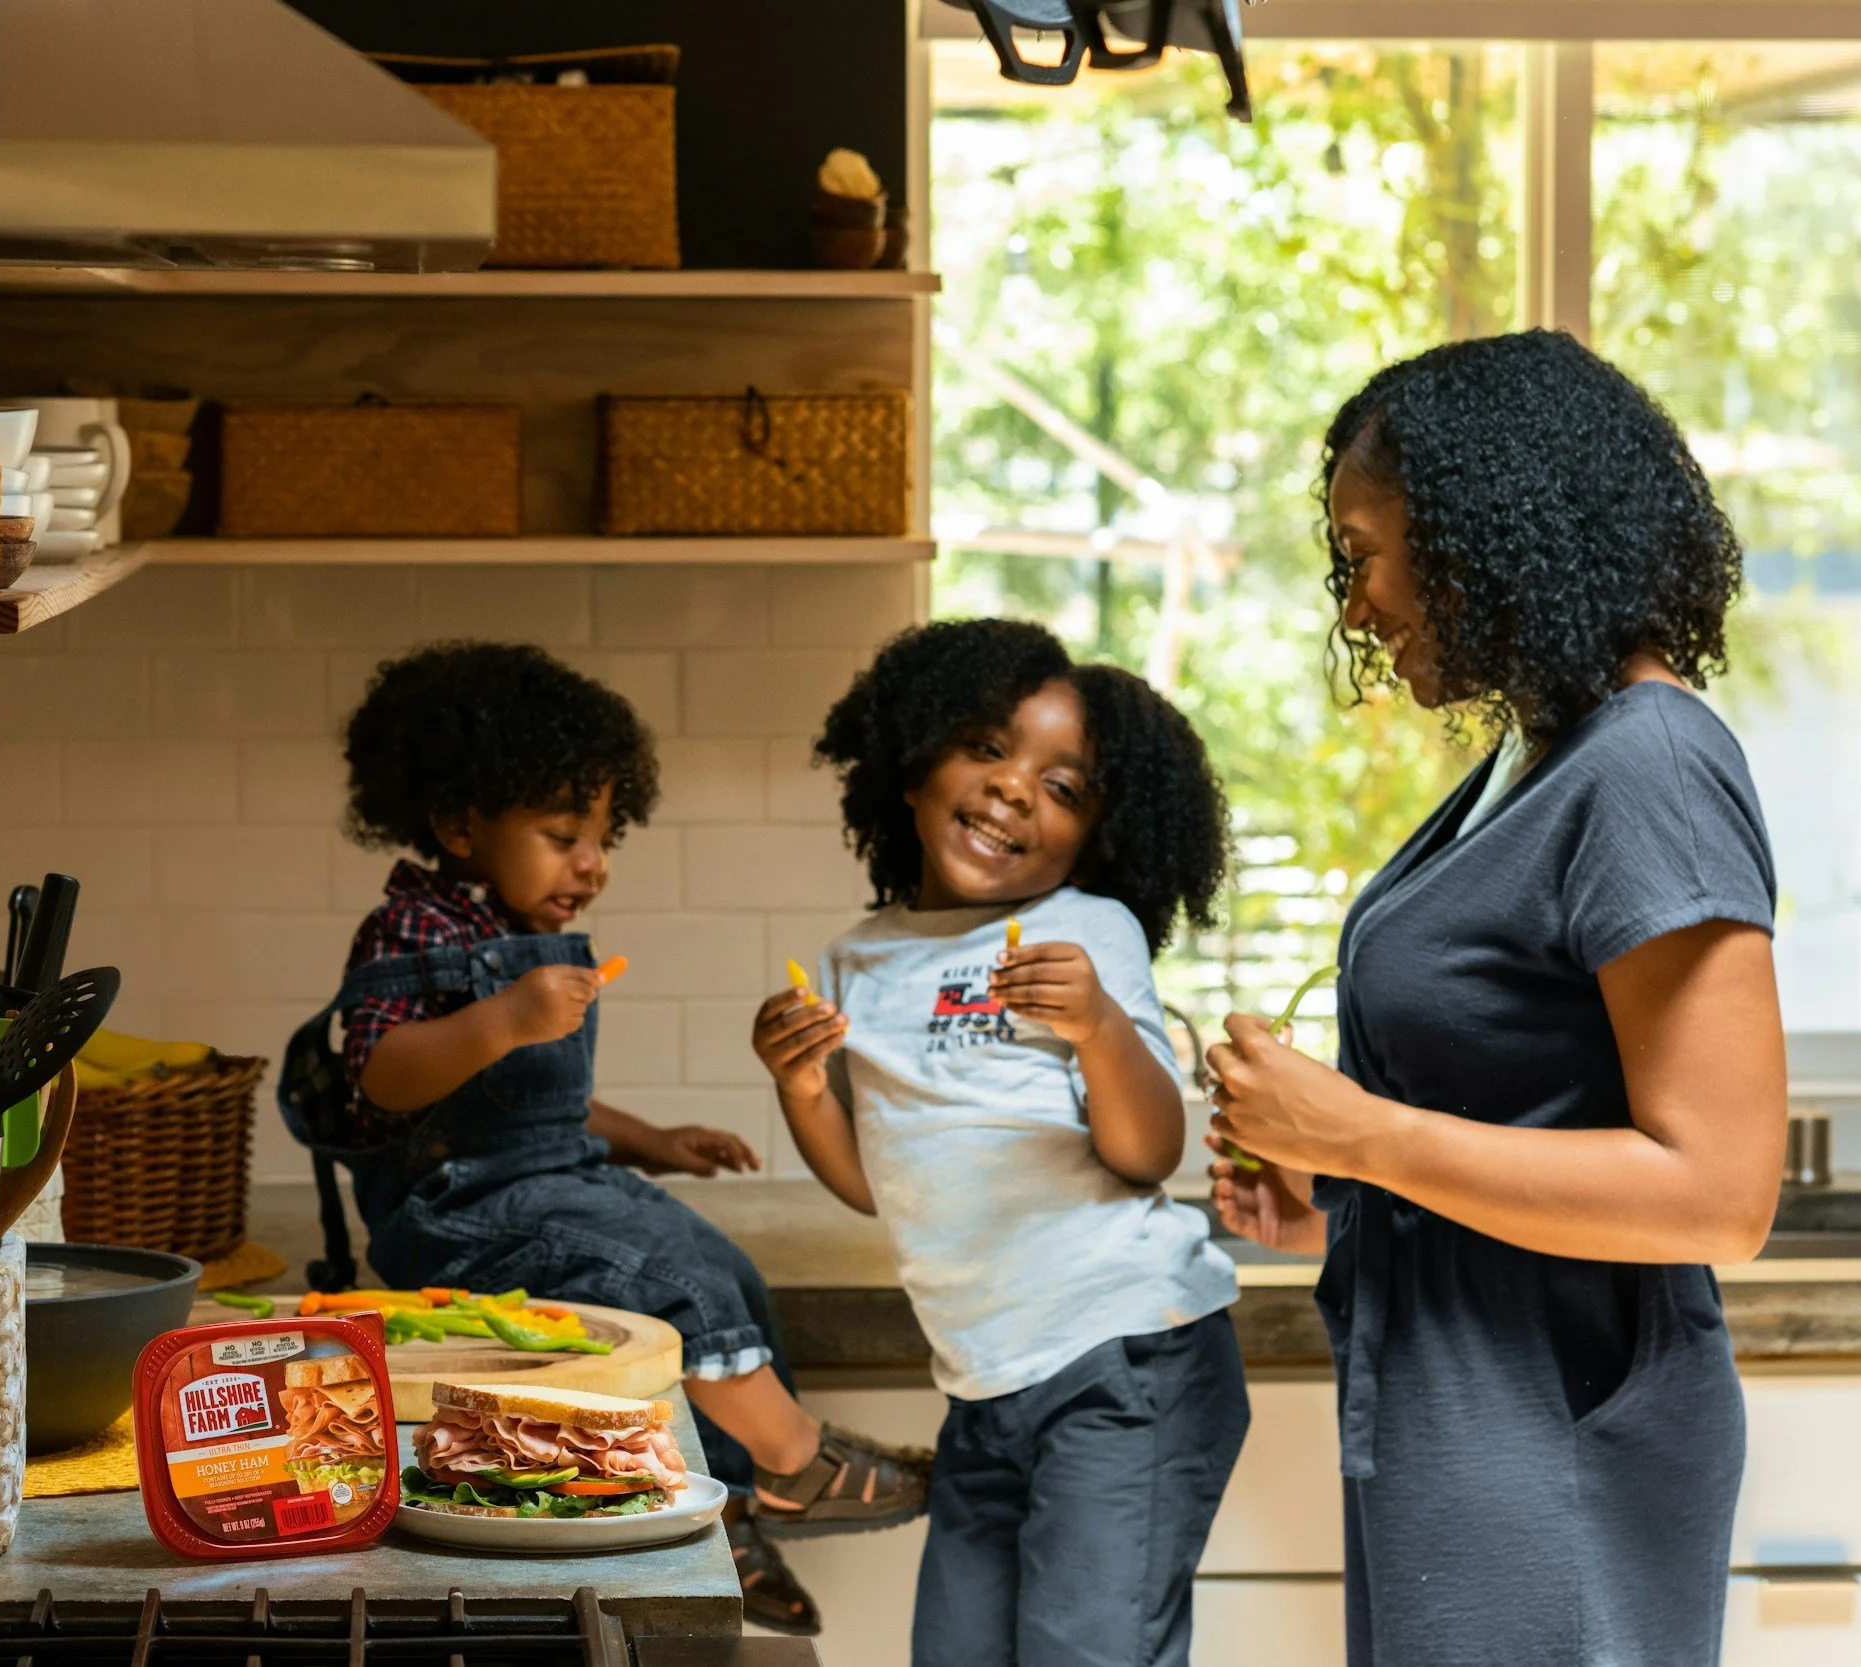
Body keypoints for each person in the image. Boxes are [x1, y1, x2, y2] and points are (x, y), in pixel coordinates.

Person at [1204, 330, 1787, 1667]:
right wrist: (1336, 1197)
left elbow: (1720, 1191)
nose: (1355, 603)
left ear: (1482, 532)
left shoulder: (1648, 763)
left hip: (1557, 1440)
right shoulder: (1539, 750)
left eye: (1365, 554)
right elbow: (1527, 1110)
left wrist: (1358, 1138)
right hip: (1459, 1418)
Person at [276, 641, 927, 1635]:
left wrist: (653, 1139)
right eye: (561, 832)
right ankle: (797, 1460)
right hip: (455, 1212)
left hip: (554, 1178)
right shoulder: (411, 928)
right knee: (667, 1271)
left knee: (723, 1265)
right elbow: (383, 1074)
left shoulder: (515, 926)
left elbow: (538, 1105)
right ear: (459, 822)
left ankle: (737, 1505)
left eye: (602, 834)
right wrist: (501, 1018)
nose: (593, 860)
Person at [754, 619, 1247, 1667]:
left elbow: (1150, 1151)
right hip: (982, 1383)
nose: (1015, 789)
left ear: (1099, 831)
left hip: (1125, 1359)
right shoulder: (859, 959)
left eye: (1063, 786)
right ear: (911, 762)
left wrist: (1099, 1028)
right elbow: (871, 1179)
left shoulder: (1086, 930)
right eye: (985, 746)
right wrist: (800, 1084)